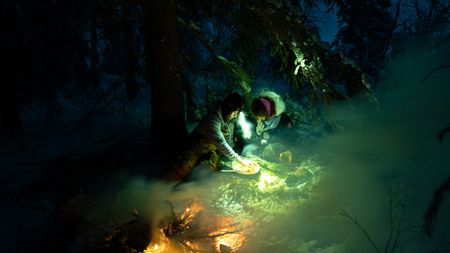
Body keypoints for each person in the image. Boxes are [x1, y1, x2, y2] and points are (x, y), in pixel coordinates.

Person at [164, 92, 259, 181]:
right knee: (181, 168)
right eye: (234, 112)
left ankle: (191, 186)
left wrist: (230, 158)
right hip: (195, 147)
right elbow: (221, 143)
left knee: (207, 171)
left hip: (210, 150)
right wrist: (239, 160)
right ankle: (164, 188)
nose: (235, 116)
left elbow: (227, 141)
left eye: (237, 113)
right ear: (228, 108)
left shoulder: (227, 121)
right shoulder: (213, 120)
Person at [246, 90, 294, 163]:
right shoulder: (259, 120)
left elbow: (292, 139)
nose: (258, 119)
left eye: (260, 116)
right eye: (257, 117)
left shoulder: (284, 120)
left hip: (279, 154)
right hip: (263, 154)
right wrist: (258, 133)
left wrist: (288, 150)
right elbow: (254, 142)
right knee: (247, 149)